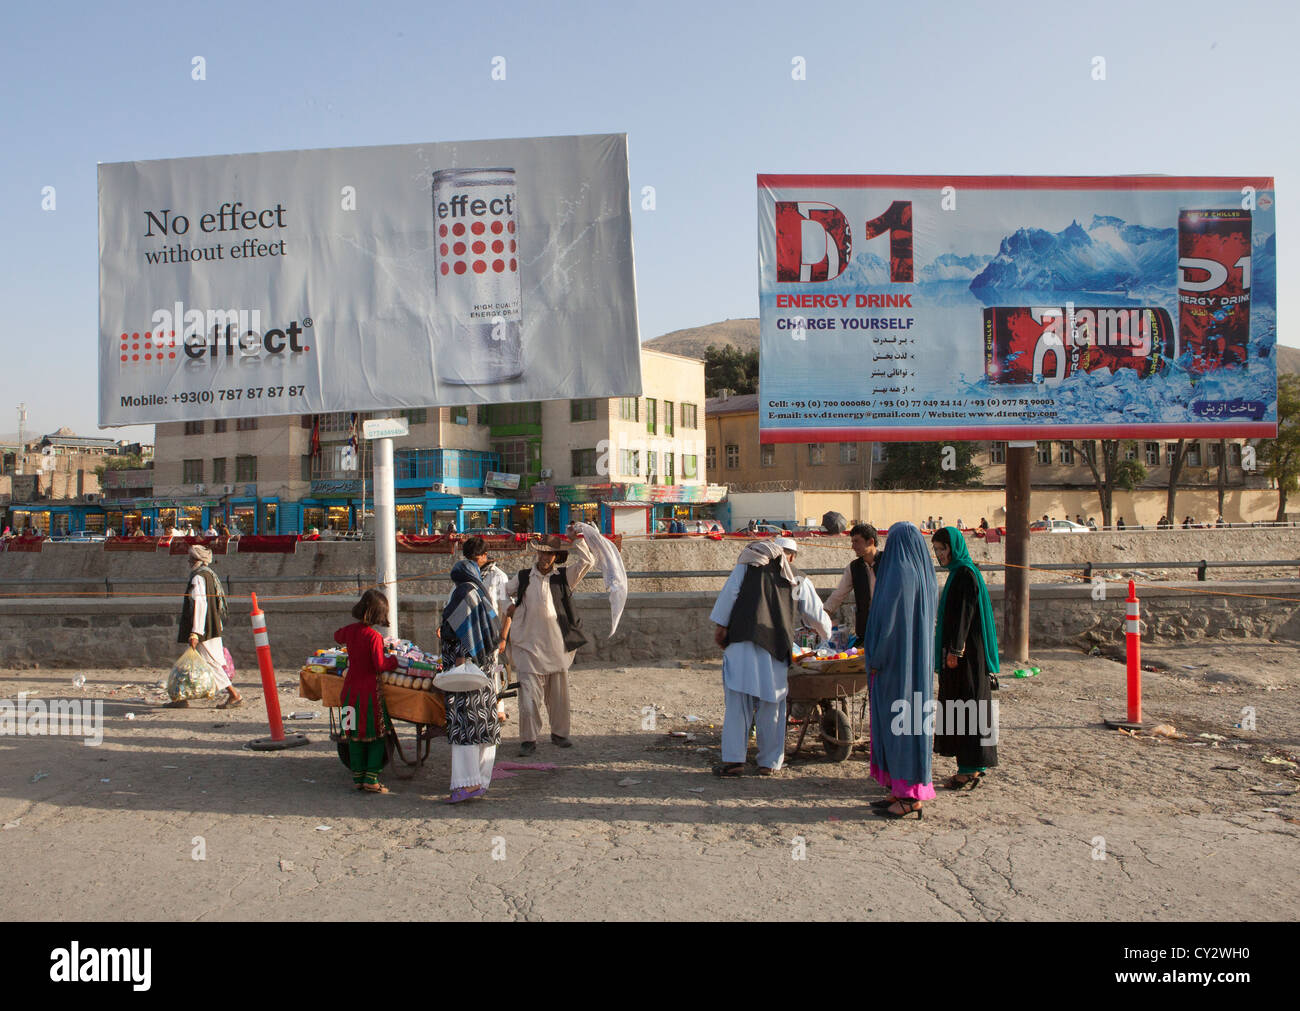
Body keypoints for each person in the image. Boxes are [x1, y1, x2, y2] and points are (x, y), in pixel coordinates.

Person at [710, 537, 831, 777]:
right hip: (774, 648)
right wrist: (828, 637)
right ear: (792, 556)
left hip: (741, 643)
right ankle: (770, 763)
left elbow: (730, 594)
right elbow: (816, 614)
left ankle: (734, 761)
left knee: (737, 705)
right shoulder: (796, 577)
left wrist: (721, 626)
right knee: (772, 706)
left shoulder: (748, 565)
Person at [862, 522, 937, 819]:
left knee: (897, 726)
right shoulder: (925, 574)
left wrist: (876, 659)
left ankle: (908, 798)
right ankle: (900, 789)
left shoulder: (897, 574)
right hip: (914, 666)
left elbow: (889, 626)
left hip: (895, 669)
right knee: (909, 724)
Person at [504, 532, 596, 755]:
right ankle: (528, 739)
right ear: (537, 553)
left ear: (556, 556)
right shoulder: (524, 576)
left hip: (556, 646)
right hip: (528, 645)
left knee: (558, 696)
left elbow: (588, 561)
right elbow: (503, 592)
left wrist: (578, 540)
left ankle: (560, 734)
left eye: (549, 554)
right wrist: (513, 609)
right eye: (541, 552)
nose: (544, 557)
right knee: (528, 696)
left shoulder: (564, 577)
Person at [931, 527, 999, 790]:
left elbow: (964, 616)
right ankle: (976, 764)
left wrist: (955, 651)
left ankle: (968, 769)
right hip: (966, 656)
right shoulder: (961, 573)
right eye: (937, 550)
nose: (940, 555)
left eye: (943, 549)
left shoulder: (964, 575)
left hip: (964, 658)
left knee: (965, 707)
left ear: (954, 548)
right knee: (973, 706)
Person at [440, 538, 505, 803]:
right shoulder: (480, 592)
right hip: (485, 670)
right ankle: (480, 781)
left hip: (465, 674)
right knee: (485, 723)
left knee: (464, 726)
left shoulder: (463, 593)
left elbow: (461, 634)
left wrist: (458, 659)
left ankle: (466, 784)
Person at [334, 589, 399, 793]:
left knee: (352, 734)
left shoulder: (351, 631)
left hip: (348, 693)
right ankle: (371, 777)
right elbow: (379, 665)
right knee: (378, 734)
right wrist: (394, 660)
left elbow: (337, 636)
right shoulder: (374, 637)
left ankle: (358, 777)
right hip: (369, 695)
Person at [173, 544, 242, 709]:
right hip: (210, 626)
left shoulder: (198, 577)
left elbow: (201, 604)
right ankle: (181, 697)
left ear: (197, 560)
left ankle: (234, 695)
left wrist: (195, 632)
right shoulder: (209, 575)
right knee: (191, 663)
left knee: (211, 664)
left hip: (204, 629)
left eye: (191, 558)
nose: (189, 561)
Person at [824, 523, 879, 647]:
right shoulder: (854, 568)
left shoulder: (888, 563)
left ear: (870, 541)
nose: (853, 546)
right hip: (866, 629)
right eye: (852, 542)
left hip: (888, 628)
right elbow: (839, 594)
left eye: (856, 542)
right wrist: (822, 615)